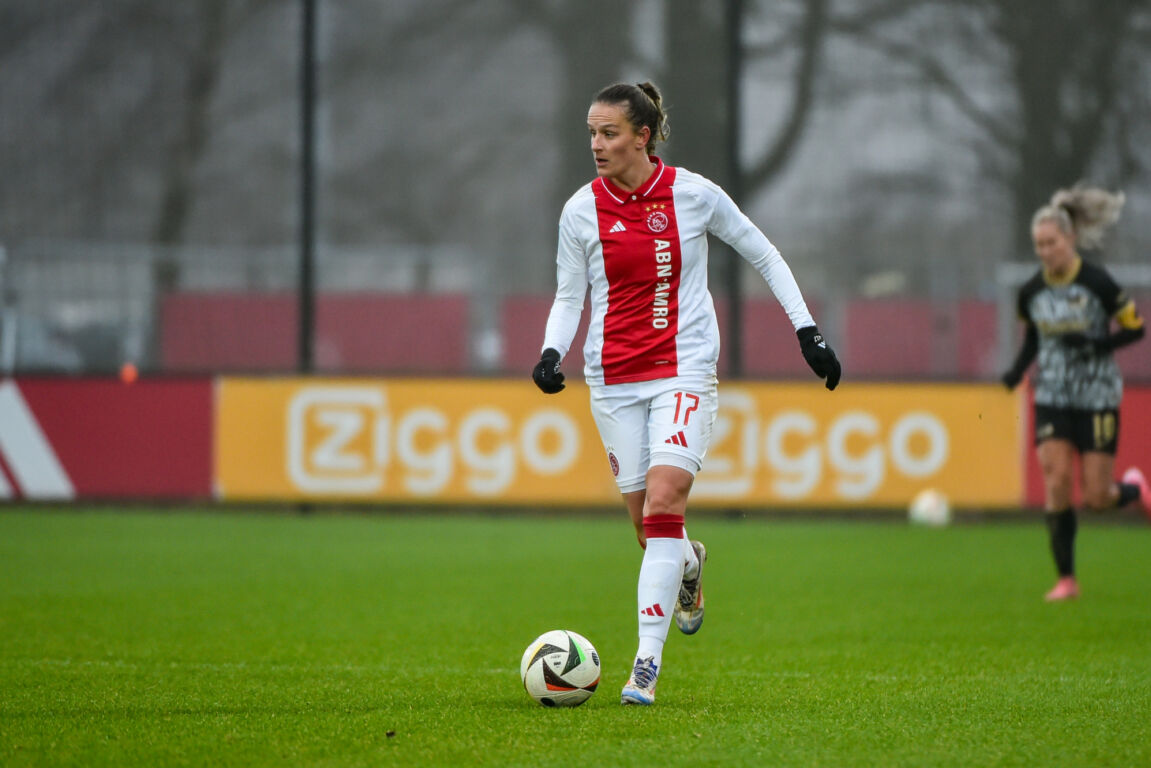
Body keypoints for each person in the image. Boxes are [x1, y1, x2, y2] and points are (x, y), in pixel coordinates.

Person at [531, 82, 841, 705]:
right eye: (591, 133)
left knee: (664, 502)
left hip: (685, 370)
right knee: (652, 530)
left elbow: (764, 253)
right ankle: (689, 565)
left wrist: (807, 331)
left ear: (642, 136)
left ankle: (644, 665)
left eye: (609, 133)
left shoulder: (694, 195)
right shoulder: (579, 211)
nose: (596, 144)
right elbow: (571, 296)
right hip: (613, 380)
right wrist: (550, 351)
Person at [1001, 185, 1148, 602]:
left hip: (1097, 396)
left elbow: (1136, 328)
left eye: (1051, 242)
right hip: (1051, 393)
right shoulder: (1031, 293)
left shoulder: (1098, 283)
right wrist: (1015, 372)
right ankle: (1067, 578)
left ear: (1070, 239)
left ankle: (1135, 489)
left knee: (1098, 497)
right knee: (1056, 477)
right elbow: (1033, 339)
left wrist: (1099, 344)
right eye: (1039, 245)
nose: (1045, 251)